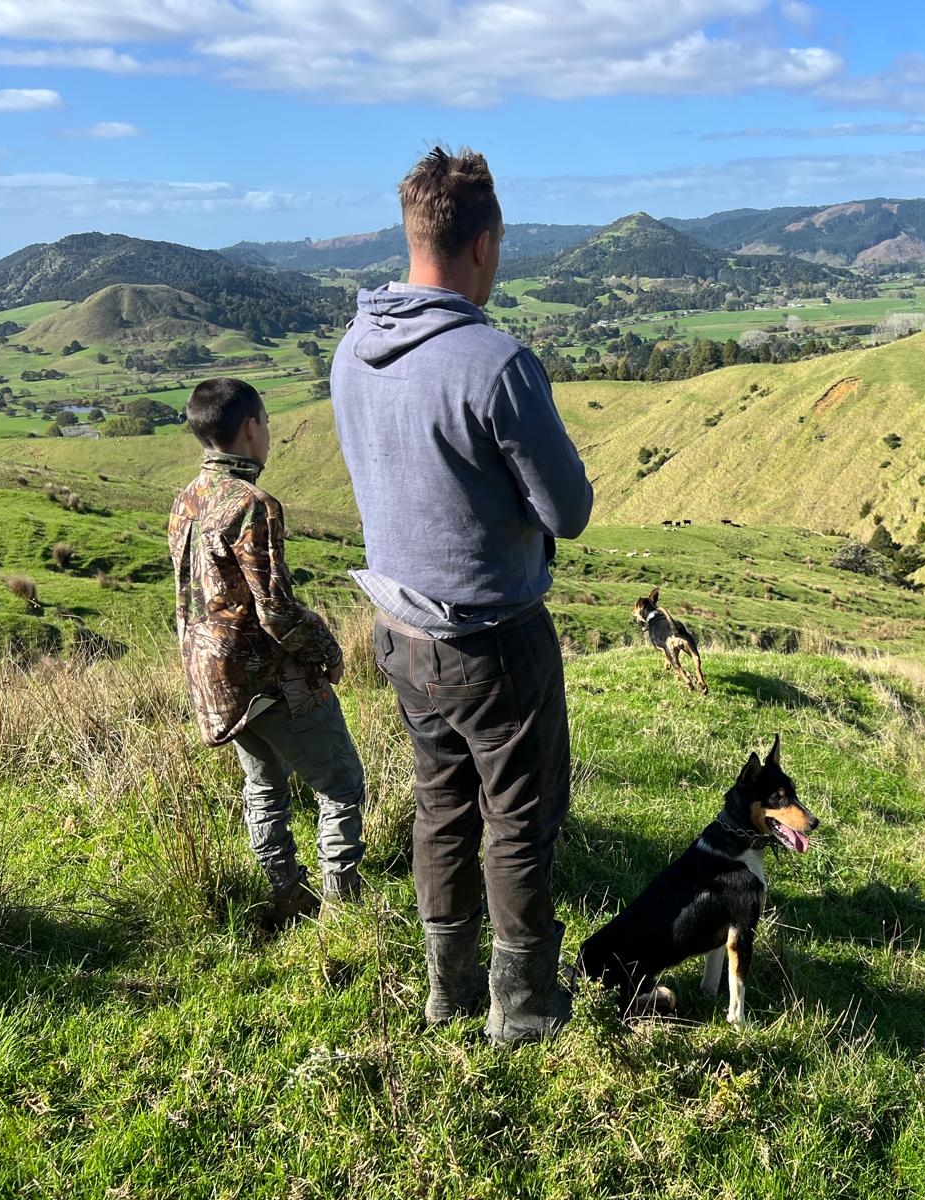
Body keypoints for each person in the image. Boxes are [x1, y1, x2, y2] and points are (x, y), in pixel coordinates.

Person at [331, 147, 593, 1044]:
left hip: (397, 627)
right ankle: (521, 1011)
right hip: (493, 636)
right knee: (518, 822)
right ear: (482, 244)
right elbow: (570, 509)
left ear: (414, 236)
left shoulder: (353, 348)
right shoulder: (494, 361)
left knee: (439, 806)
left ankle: (446, 991)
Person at [168, 377, 365, 926]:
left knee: (264, 786)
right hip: (270, 677)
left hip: (214, 680)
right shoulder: (252, 504)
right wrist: (327, 647)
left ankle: (288, 892)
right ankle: (342, 912)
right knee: (341, 784)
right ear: (251, 427)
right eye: (269, 424)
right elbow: (274, 610)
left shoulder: (186, 499)